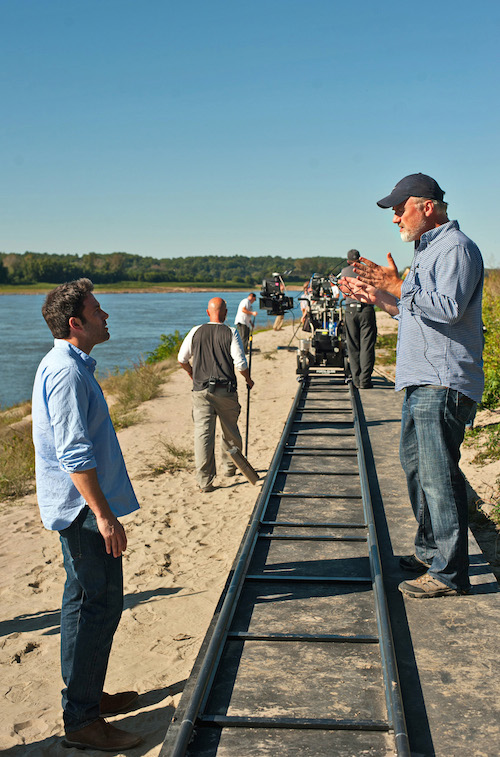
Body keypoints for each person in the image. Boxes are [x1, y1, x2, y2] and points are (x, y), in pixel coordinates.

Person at [339, 173, 484, 599]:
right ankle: (429, 551)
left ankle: (449, 574)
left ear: (426, 206)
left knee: (439, 477)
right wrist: (379, 298)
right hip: (421, 380)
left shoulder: (455, 248)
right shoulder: (427, 250)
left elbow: (451, 308)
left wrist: (397, 286)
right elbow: (416, 313)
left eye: (399, 209)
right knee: (418, 470)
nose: (395, 218)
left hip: (443, 381)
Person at [31, 279, 142, 751]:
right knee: (100, 606)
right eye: (98, 310)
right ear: (75, 322)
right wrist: (105, 515)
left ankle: (85, 695)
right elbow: (74, 453)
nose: (106, 316)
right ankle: (81, 720)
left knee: (81, 603)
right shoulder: (67, 372)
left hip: (78, 508)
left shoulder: (69, 365)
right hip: (81, 511)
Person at [178, 297, 254, 492]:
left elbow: (181, 358)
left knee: (203, 434)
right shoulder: (230, 332)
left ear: (207, 312)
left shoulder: (195, 331)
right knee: (230, 431)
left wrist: (191, 372)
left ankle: (205, 481)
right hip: (225, 390)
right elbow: (241, 364)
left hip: (201, 390)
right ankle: (230, 468)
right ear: (226, 313)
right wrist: (248, 379)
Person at [340, 249, 377, 388]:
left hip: (350, 310)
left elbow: (344, 294)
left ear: (348, 260)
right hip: (366, 309)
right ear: (360, 259)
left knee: (353, 345)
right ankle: (365, 380)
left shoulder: (344, 271)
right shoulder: (368, 270)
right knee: (367, 345)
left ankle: (356, 379)